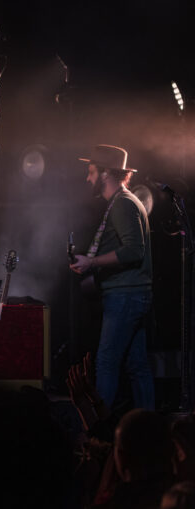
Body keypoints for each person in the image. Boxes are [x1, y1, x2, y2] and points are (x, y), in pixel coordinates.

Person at [69, 144, 154, 410]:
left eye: (91, 172)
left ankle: (99, 429)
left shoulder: (123, 204)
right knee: (137, 366)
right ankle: (148, 425)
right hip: (132, 294)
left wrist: (92, 262)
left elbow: (134, 250)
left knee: (106, 362)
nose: (88, 178)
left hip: (125, 295)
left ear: (106, 173)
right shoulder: (122, 202)